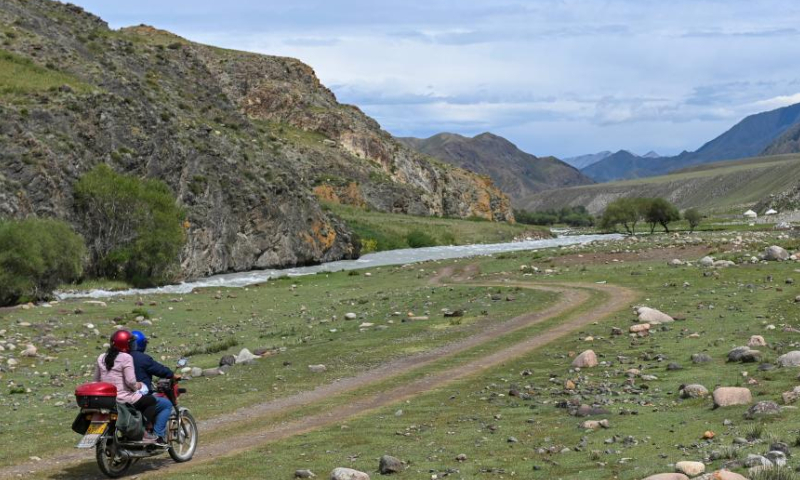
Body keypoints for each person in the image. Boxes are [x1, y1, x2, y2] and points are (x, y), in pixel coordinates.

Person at [93, 330, 160, 444]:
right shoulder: (126, 357)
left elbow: (96, 380)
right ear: (125, 344)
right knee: (151, 401)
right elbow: (130, 382)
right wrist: (138, 386)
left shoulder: (101, 357)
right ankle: (142, 432)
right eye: (130, 343)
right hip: (123, 398)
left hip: (106, 400)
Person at [130, 330, 175, 446]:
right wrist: (172, 374)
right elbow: (160, 370)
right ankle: (158, 436)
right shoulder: (142, 358)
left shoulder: (120, 357)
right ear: (141, 344)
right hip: (138, 397)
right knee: (166, 404)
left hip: (121, 397)